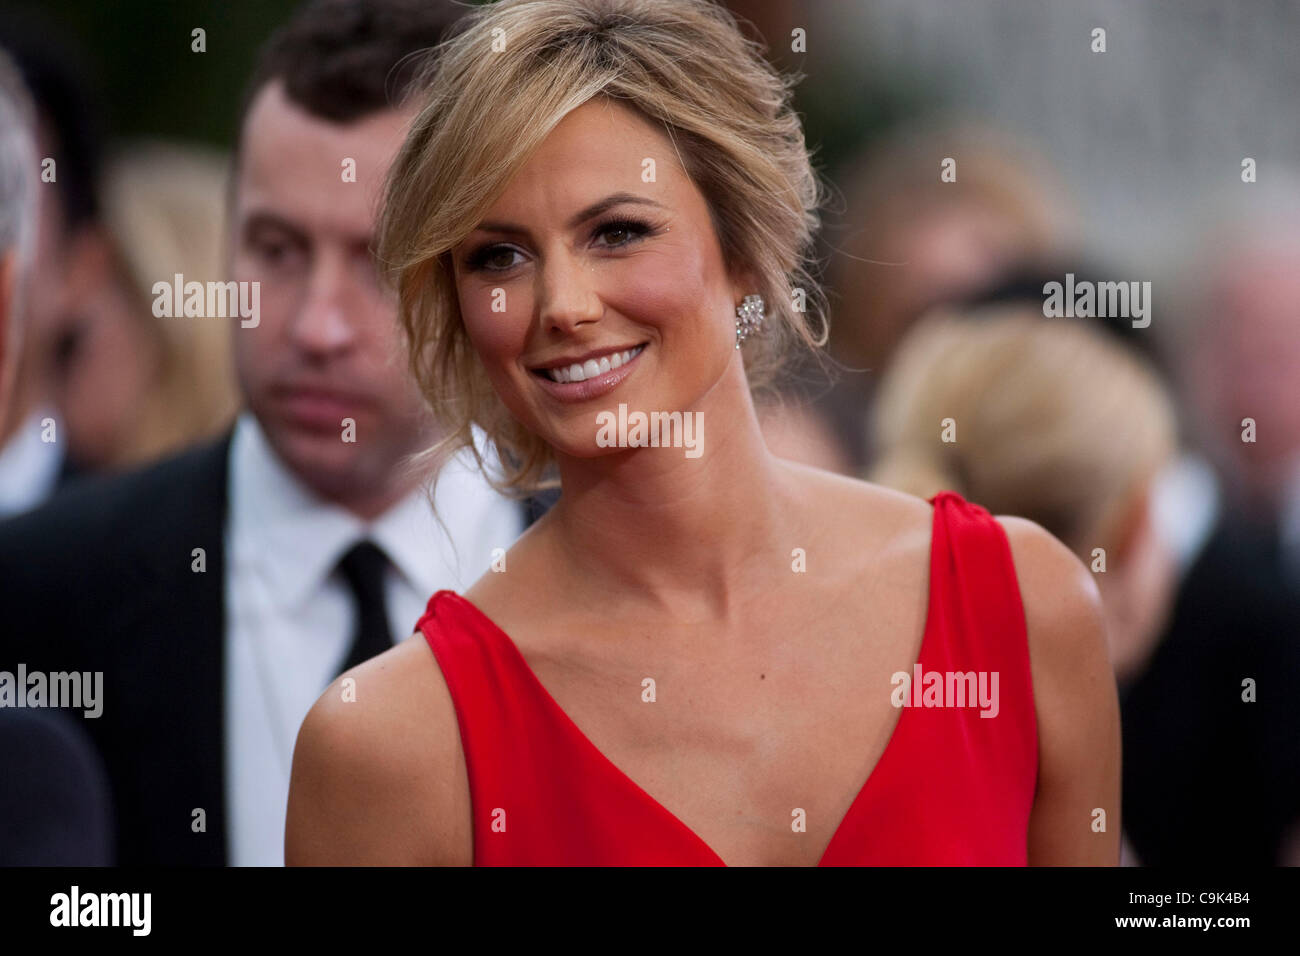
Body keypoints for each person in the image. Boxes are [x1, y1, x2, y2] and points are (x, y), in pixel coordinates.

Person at [287, 0, 1119, 866]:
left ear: (746, 250)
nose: (564, 306)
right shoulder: (392, 745)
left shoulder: (1019, 608)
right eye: (498, 256)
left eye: (618, 233)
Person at [0, 0, 527, 866]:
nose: (317, 325)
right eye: (276, 250)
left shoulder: (616, 579)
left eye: (377, 262)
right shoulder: (42, 591)